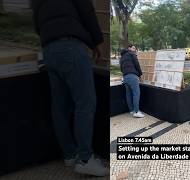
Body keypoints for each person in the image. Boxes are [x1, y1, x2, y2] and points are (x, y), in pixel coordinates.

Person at [31, 0, 107, 177]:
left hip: (48, 50)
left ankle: (70, 154)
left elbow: (36, 23)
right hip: (71, 46)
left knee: (60, 106)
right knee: (85, 104)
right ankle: (85, 159)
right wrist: (98, 41)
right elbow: (86, 10)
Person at [120, 44, 145, 118]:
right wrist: (140, 74)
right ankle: (136, 111)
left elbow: (121, 69)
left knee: (128, 94)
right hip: (132, 76)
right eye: (133, 48)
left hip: (125, 77)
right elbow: (137, 65)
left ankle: (131, 110)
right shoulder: (132, 54)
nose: (135, 49)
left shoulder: (122, 57)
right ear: (129, 48)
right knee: (136, 93)